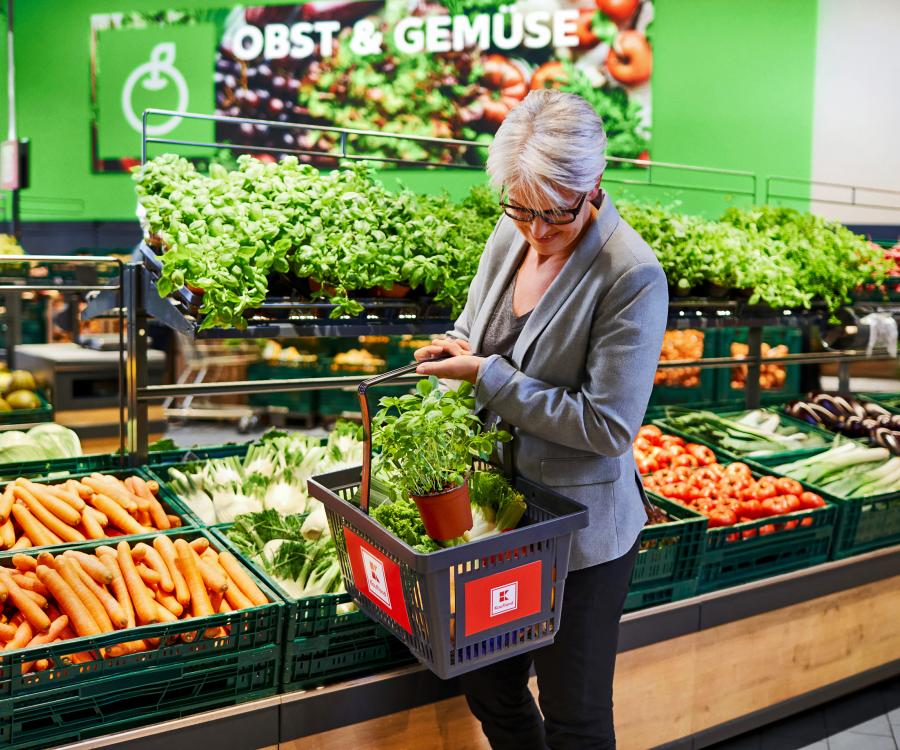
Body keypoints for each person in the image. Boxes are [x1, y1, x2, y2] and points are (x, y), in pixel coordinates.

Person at [413, 89, 668, 749]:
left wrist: (489, 377)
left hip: (580, 536)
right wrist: (456, 349)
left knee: (575, 714)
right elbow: (475, 327)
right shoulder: (512, 232)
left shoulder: (630, 275)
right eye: (520, 208)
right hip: (500, 516)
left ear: (595, 185)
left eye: (553, 213)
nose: (536, 230)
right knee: (490, 688)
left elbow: (609, 427)